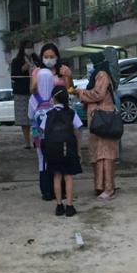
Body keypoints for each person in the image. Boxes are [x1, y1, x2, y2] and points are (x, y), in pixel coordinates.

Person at [37, 85, 83, 217]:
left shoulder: (48, 114)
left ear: (54, 98)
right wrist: (78, 150)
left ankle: (59, 206)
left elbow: (42, 131)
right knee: (68, 177)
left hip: (53, 150)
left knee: (56, 176)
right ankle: (69, 206)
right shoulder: (71, 113)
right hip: (68, 148)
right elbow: (78, 129)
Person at [79, 56, 119, 200]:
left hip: (104, 120)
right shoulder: (98, 74)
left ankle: (108, 188)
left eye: (91, 62)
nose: (89, 66)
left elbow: (98, 94)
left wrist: (81, 93)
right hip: (98, 120)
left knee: (105, 155)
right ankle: (101, 186)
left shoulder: (102, 74)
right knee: (98, 155)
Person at [29, 67, 57, 201]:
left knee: (42, 160)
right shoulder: (55, 97)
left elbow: (30, 116)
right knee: (55, 159)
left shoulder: (34, 98)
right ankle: (56, 189)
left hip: (38, 135)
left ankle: (45, 191)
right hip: (55, 135)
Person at [11, 40, 36, 149]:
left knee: (36, 117)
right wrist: (22, 69)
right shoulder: (16, 61)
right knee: (24, 119)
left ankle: (36, 139)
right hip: (21, 92)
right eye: (27, 47)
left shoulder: (36, 59)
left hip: (35, 91)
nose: (30, 49)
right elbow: (13, 76)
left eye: (31, 46)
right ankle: (27, 142)